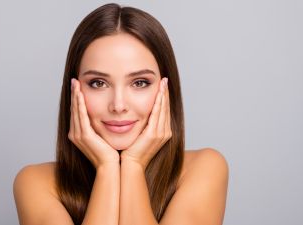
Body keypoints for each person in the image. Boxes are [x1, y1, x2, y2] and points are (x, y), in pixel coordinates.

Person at [13, 3, 229, 225]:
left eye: (140, 82)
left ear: (166, 90)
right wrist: (107, 168)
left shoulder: (204, 168)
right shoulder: (36, 183)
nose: (118, 105)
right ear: (73, 90)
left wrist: (133, 165)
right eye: (98, 83)